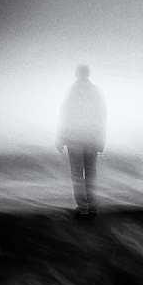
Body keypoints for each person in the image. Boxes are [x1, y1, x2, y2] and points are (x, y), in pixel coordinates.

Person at [56, 64, 107, 215]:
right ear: (88, 74)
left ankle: (83, 207)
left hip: (74, 138)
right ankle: (91, 205)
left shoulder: (70, 91)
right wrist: (101, 139)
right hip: (91, 138)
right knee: (91, 173)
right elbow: (102, 117)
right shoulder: (97, 92)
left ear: (76, 74)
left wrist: (59, 138)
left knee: (77, 173)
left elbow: (63, 115)